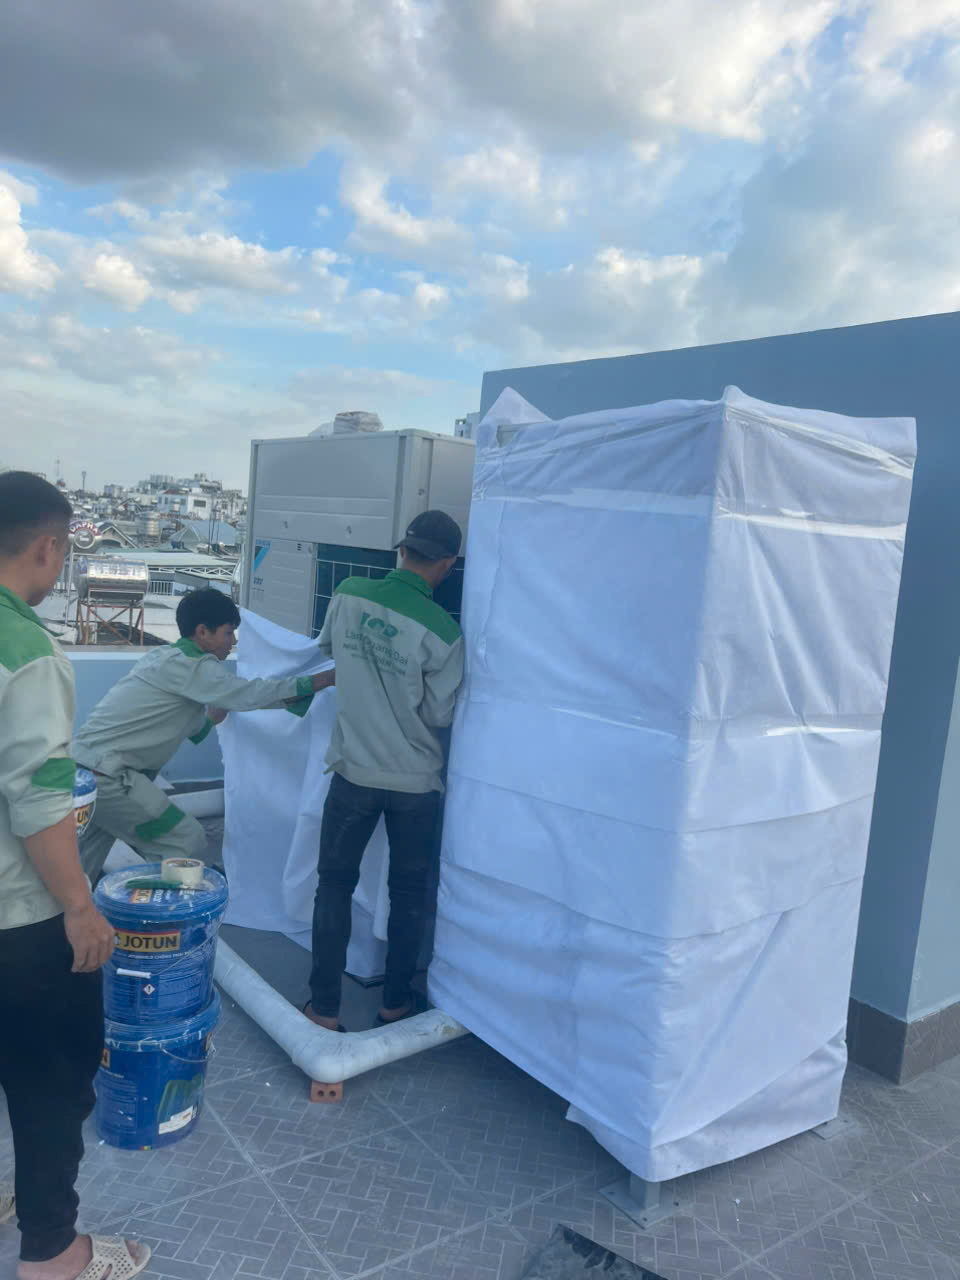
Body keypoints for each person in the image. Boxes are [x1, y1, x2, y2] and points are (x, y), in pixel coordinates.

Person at [0, 472, 149, 1280]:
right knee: (51, 1085)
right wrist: (79, 906)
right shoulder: (27, 650)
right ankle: (53, 1254)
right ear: (49, 547)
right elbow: (38, 800)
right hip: (17, 920)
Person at [306, 509, 464, 1030]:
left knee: (333, 886)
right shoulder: (445, 631)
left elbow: (329, 651)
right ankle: (395, 1003)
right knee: (409, 893)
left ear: (401, 550)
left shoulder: (349, 593)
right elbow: (439, 715)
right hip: (415, 784)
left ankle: (324, 1010)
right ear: (447, 563)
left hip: (354, 774)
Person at [75, 587, 336, 882]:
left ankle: (67, 910)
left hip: (83, 772)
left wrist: (211, 720)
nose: (233, 642)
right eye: (228, 632)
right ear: (202, 632)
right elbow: (251, 694)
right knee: (183, 840)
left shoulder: (163, 657)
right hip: (110, 779)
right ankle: (161, 910)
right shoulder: (196, 666)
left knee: (82, 861)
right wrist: (320, 680)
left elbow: (188, 726)